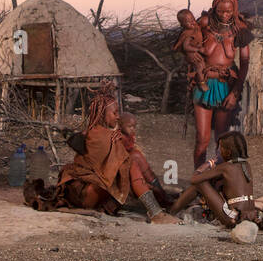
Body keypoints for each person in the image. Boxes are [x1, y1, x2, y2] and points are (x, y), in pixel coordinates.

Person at [24, 81, 177, 224]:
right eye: (114, 113)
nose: (118, 116)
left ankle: (161, 203)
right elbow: (116, 166)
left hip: (82, 190)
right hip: (84, 194)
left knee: (132, 163)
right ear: (103, 114)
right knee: (131, 165)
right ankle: (156, 212)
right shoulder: (105, 136)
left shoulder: (95, 131)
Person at [187, 0, 253, 168]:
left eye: (229, 11)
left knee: (222, 140)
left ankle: (219, 179)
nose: (225, 14)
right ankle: (199, 180)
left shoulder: (239, 29)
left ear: (234, 9)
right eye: (221, 10)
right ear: (214, 7)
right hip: (205, 83)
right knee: (202, 138)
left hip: (226, 85)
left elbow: (245, 62)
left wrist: (235, 92)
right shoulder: (204, 23)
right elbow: (188, 41)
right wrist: (193, 62)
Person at [167, 131, 263, 229]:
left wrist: (208, 163)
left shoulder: (226, 167)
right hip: (250, 216)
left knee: (200, 184)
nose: (219, 152)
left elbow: (194, 179)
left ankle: (170, 213)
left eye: (220, 148)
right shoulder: (246, 165)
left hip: (233, 218)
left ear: (228, 152)